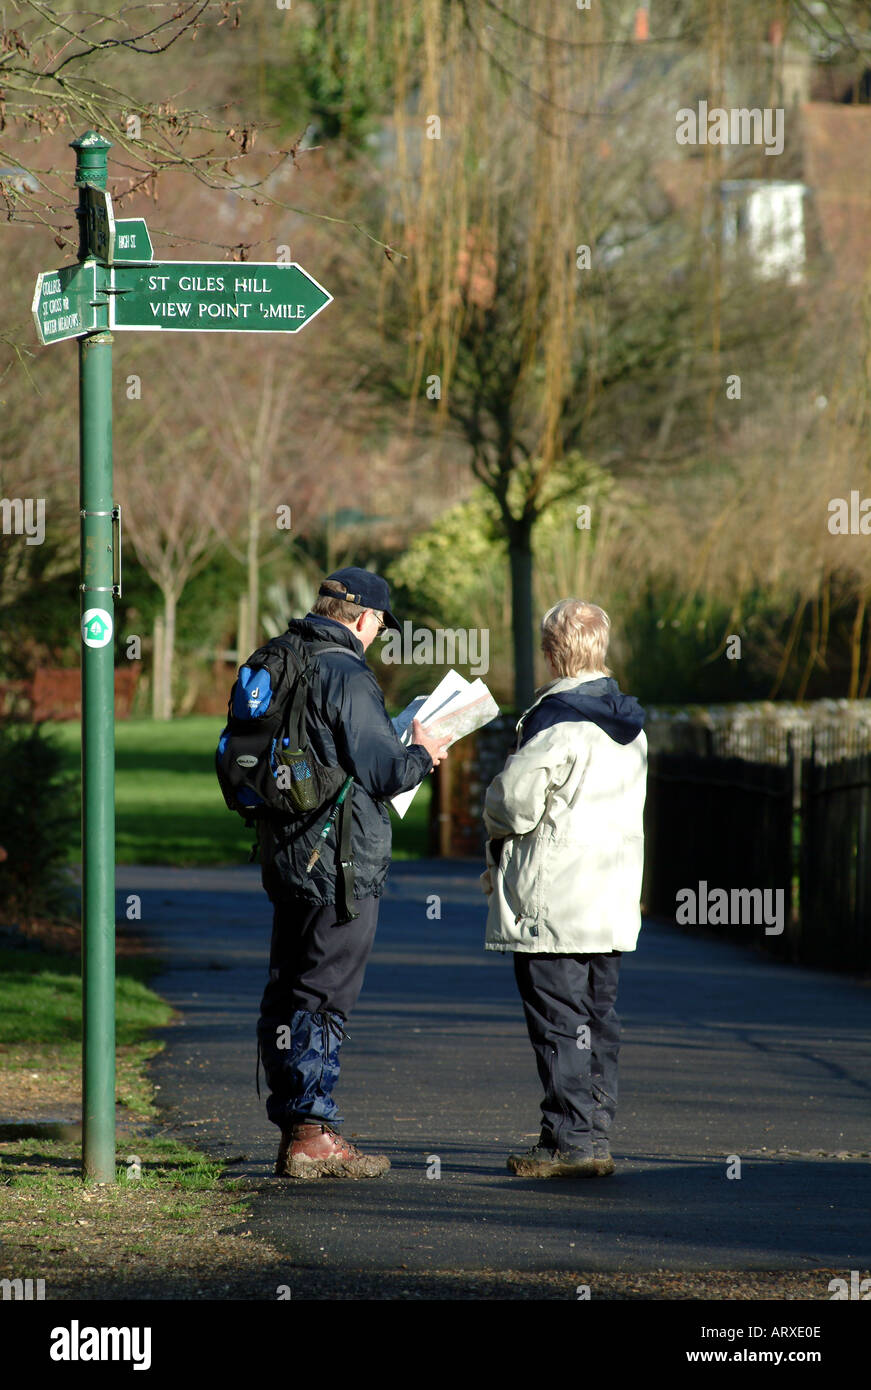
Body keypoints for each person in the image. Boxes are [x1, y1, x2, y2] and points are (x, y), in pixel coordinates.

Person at [256, 567, 450, 1180]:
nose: (375, 637)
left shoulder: (278, 656)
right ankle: (312, 1133)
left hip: (286, 851)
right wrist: (423, 751)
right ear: (364, 620)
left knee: (290, 984)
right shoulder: (345, 671)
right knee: (324, 993)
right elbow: (385, 771)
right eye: (378, 627)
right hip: (337, 862)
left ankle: (296, 1128)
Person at [480, 599, 647, 1178]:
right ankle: (591, 1136)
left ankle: (567, 1142)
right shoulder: (631, 727)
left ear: (553, 652)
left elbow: (514, 804)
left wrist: (493, 812)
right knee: (599, 1019)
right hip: (611, 897)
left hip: (556, 900)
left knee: (558, 1019)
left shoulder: (557, 726)